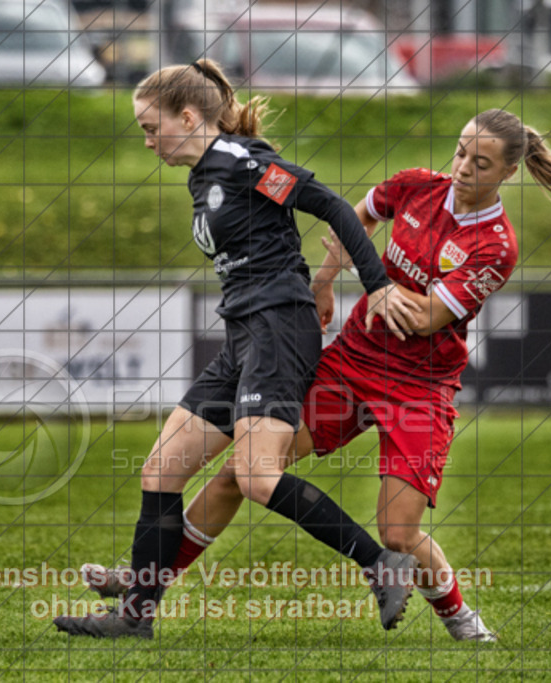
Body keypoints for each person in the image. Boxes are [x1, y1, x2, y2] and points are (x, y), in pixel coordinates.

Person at [80, 108, 551, 641]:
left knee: (398, 532)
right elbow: (356, 219)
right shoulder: (415, 187)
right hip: (351, 363)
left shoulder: (496, 246)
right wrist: (324, 280)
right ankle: (144, 587)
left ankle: (459, 617)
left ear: (509, 172)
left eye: (480, 163)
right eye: (461, 151)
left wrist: (381, 281)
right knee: (244, 475)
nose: (462, 167)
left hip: (419, 388)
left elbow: (428, 317)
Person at [53, 60, 421, 640]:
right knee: (161, 470)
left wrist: (375, 285)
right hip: (245, 331)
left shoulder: (244, 163)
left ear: (190, 117)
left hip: (279, 326)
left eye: (152, 128)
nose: (148, 141)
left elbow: (327, 205)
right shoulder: (204, 174)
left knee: (255, 476)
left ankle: (382, 565)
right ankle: (135, 616)